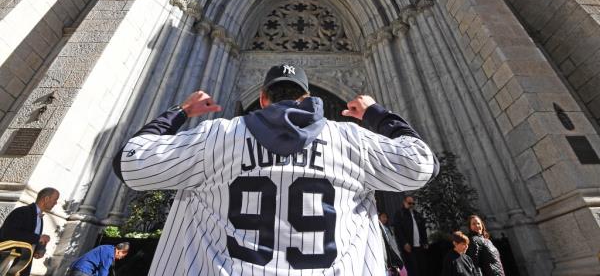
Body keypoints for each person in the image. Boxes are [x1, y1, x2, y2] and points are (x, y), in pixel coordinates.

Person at [113, 64, 438, 275]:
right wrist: (376, 115)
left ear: (263, 99)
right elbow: (422, 163)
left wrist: (181, 111)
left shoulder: (216, 135)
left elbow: (129, 161)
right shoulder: (351, 139)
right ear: (307, 97)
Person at [0, 187, 60, 276]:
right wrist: (38, 238)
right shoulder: (22, 211)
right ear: (46, 199)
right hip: (7, 262)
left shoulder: (40, 219)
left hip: (22, 266)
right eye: (55, 200)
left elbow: (29, 239)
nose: (56, 203)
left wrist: (38, 250)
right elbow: (9, 233)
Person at [393, 195, 428, 276]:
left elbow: (423, 229)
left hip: (420, 246)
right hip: (409, 247)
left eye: (413, 203)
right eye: (409, 203)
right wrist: (404, 243)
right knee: (413, 269)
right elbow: (398, 231)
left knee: (422, 267)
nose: (411, 205)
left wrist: (425, 241)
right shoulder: (399, 214)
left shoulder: (417, 214)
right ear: (404, 202)